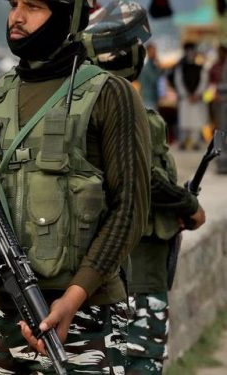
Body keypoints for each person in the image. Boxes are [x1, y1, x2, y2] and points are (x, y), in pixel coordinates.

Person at [0, 0, 151, 373]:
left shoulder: (110, 94)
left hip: (86, 313)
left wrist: (74, 297)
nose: (17, 17)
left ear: (68, 17)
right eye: (14, 5)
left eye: (33, 6)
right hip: (0, 311)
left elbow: (130, 209)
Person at [83, 3, 207, 374]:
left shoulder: (86, 105)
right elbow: (146, 180)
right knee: (143, 357)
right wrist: (188, 206)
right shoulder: (131, 109)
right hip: (140, 262)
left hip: (104, 261)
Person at [173, 42, 209, 150]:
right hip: (185, 100)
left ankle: (195, 142)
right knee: (184, 122)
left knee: (196, 122)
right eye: (188, 51)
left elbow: (203, 82)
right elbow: (178, 82)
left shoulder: (201, 68)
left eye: (192, 51)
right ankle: (183, 142)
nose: (190, 54)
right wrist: (186, 95)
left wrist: (197, 94)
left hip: (196, 100)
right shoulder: (180, 68)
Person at [139, 43, 163, 109]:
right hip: (148, 99)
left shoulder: (151, 66)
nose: (155, 54)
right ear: (148, 52)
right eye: (153, 51)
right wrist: (159, 68)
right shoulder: (148, 67)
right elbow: (154, 79)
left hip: (150, 99)